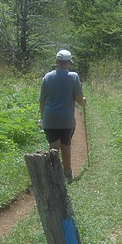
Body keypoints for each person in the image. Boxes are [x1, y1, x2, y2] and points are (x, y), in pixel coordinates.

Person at [39, 49, 86, 182]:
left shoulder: (47, 77)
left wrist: (42, 118)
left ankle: (53, 174)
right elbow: (79, 99)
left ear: (56, 62)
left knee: (53, 145)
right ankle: (67, 172)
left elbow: (42, 100)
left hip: (50, 118)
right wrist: (83, 101)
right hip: (67, 120)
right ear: (69, 63)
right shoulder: (73, 77)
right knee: (66, 144)